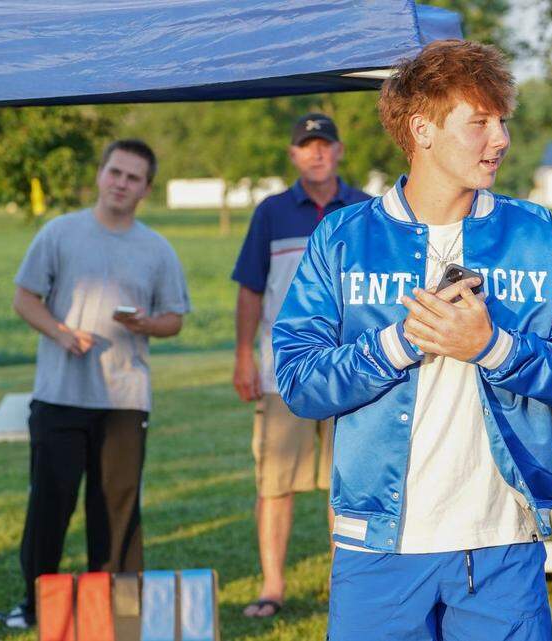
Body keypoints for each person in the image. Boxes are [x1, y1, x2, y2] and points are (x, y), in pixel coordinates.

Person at [272, 39, 552, 640]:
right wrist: (399, 343)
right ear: (422, 130)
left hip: (502, 538)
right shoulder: (344, 237)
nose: (500, 138)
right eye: (479, 122)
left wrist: (493, 348)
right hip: (378, 543)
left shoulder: (532, 233)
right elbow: (299, 382)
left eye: (502, 120)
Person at [1, 139, 191, 628]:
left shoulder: (157, 248)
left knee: (118, 508)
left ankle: (116, 606)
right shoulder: (59, 233)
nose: (120, 184)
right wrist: (60, 333)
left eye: (132, 178)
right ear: (100, 174)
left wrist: (147, 325)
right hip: (59, 396)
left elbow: (175, 319)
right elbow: (25, 299)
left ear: (146, 189)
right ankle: (35, 601)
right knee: (50, 504)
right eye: (115, 172)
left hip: (125, 399)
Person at [231, 113, 370, 619]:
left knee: (348, 484)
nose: (316, 153)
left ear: (339, 151)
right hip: (283, 371)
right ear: (292, 154)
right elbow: (250, 288)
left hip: (353, 372)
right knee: (275, 483)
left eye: (324, 144)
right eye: (306, 145)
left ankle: (346, 587)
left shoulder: (363, 211)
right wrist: (244, 355)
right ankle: (273, 586)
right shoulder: (270, 213)